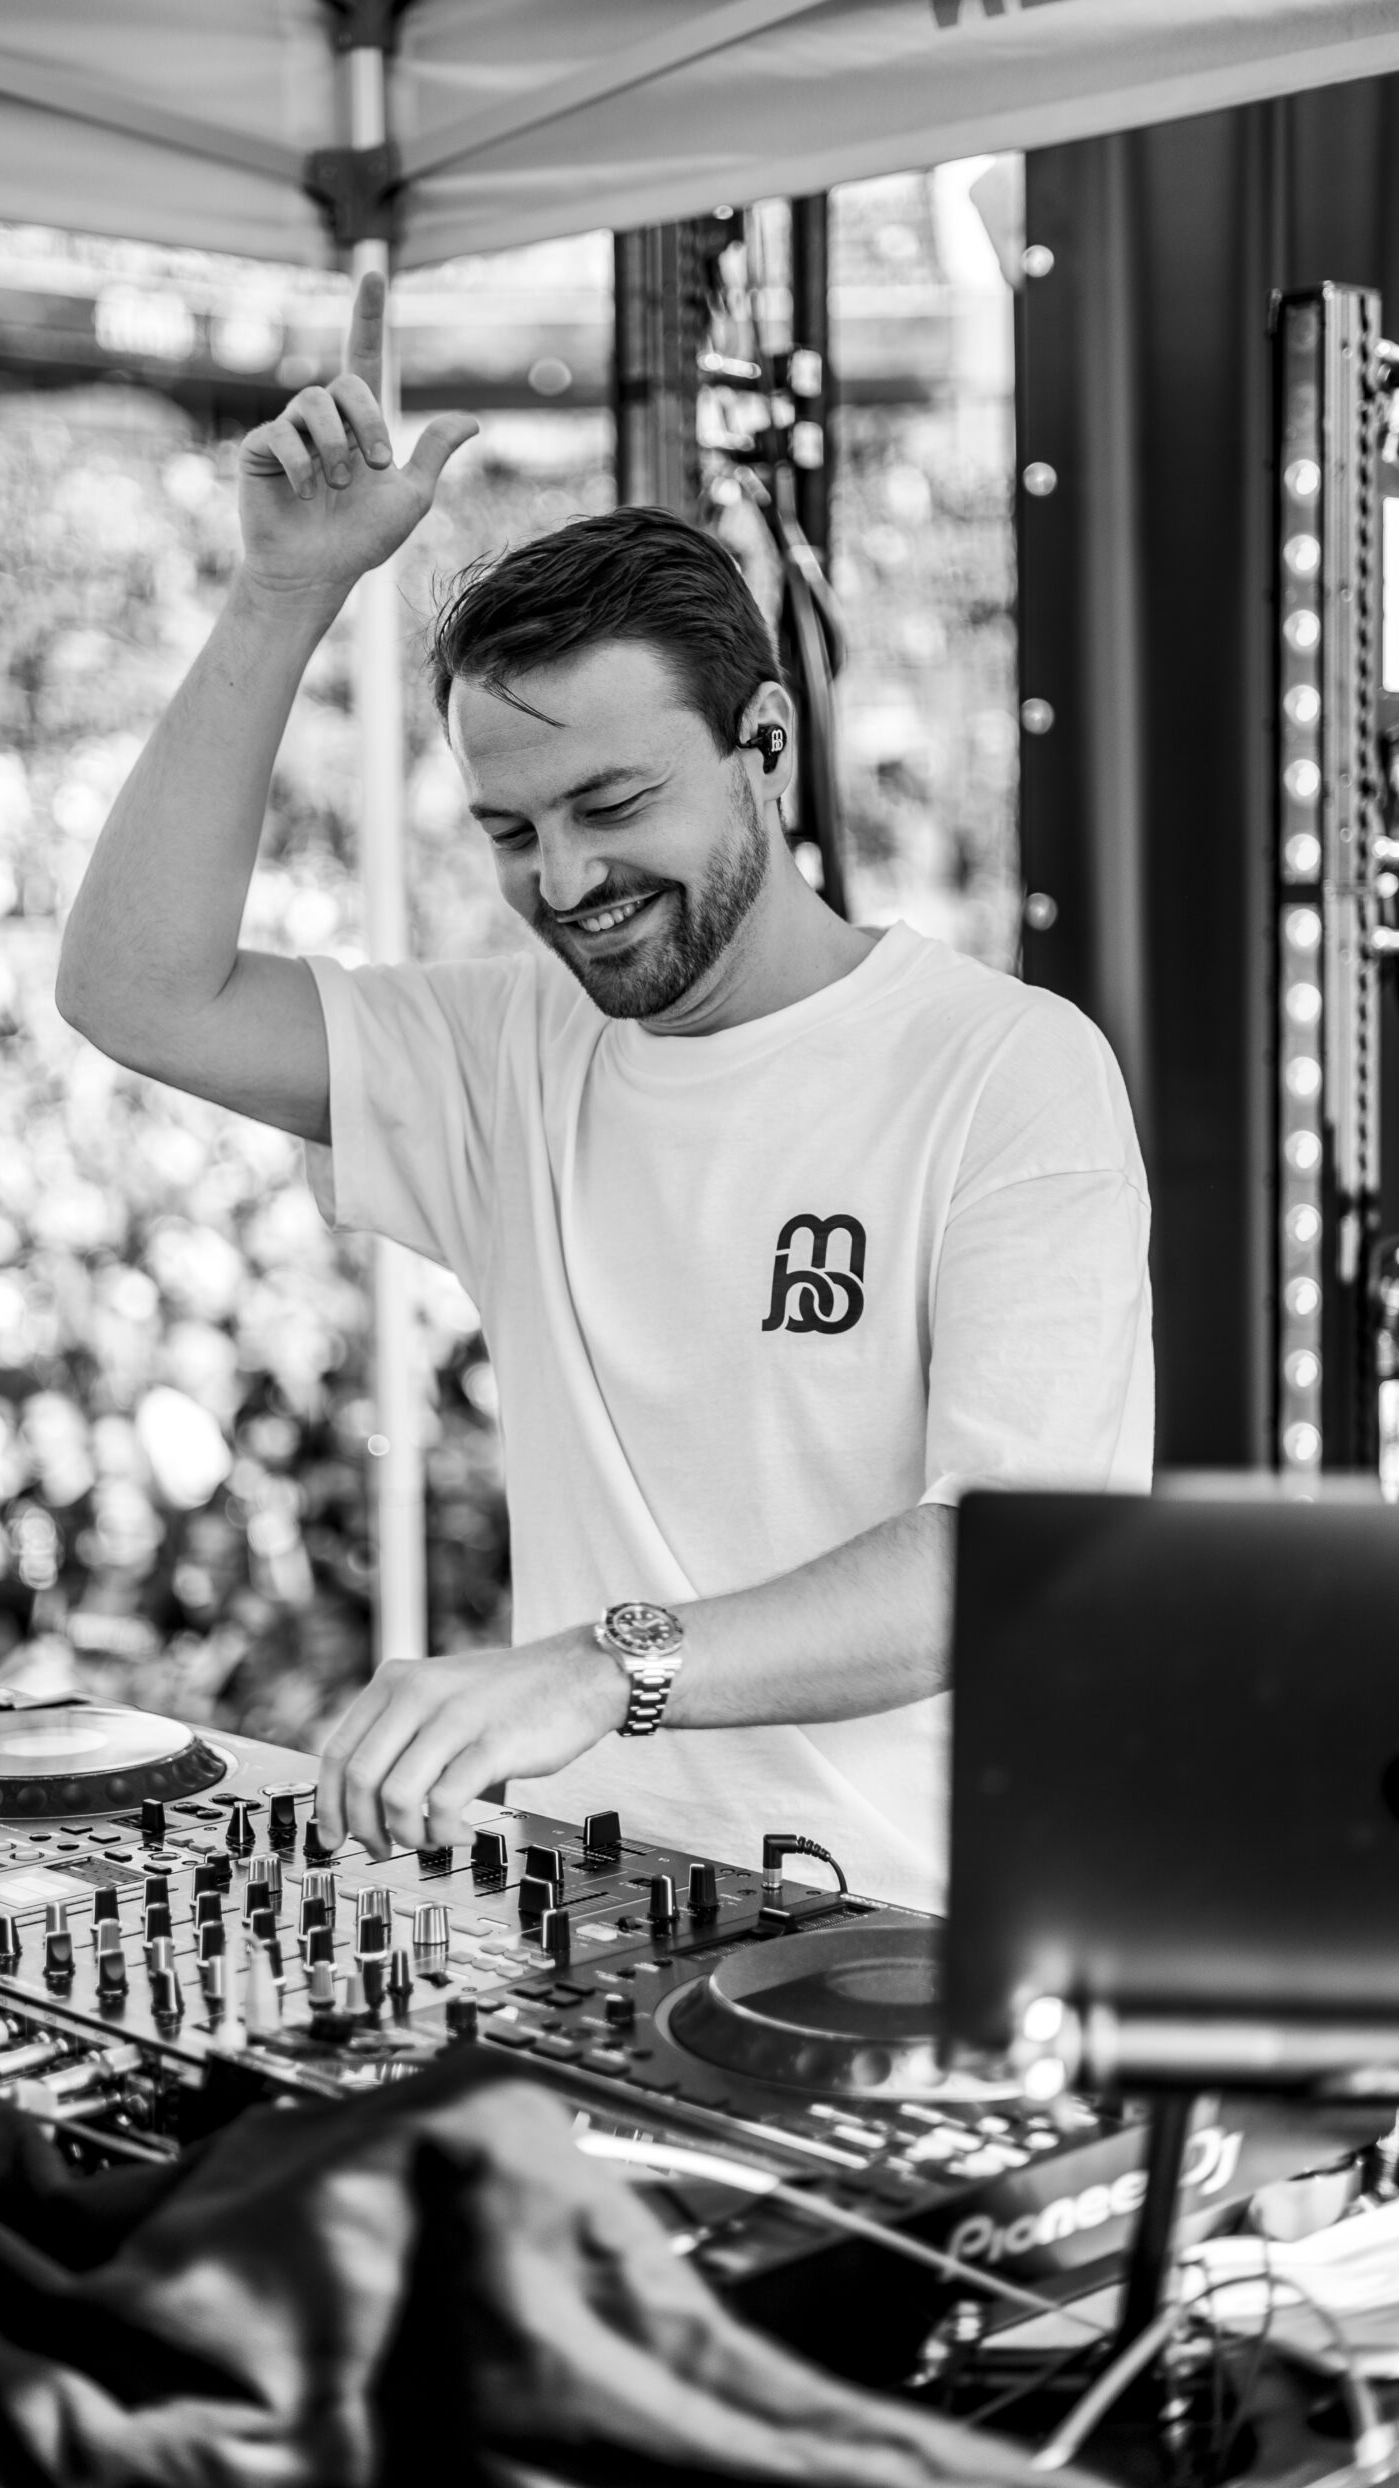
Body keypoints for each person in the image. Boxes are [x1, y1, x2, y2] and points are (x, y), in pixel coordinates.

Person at [57, 273, 1152, 1910]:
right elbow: (135, 990)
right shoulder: (505, 1049)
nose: (564, 881)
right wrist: (285, 595)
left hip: (910, 1948)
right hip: (583, 1931)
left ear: (766, 745)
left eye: (613, 805)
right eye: (511, 831)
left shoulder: (1006, 1068)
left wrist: (605, 1667)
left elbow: (1011, 1563)